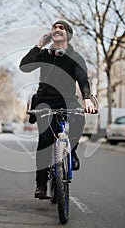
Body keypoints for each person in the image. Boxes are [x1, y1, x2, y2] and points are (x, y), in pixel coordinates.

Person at [19, 20, 95, 198]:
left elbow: (83, 78)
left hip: (68, 101)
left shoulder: (75, 57)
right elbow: (24, 67)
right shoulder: (45, 54)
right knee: (45, 141)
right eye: (54, 28)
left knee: (79, 119)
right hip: (45, 102)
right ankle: (41, 184)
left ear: (68, 34)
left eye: (61, 28)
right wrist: (39, 46)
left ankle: (72, 151)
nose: (57, 29)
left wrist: (87, 98)